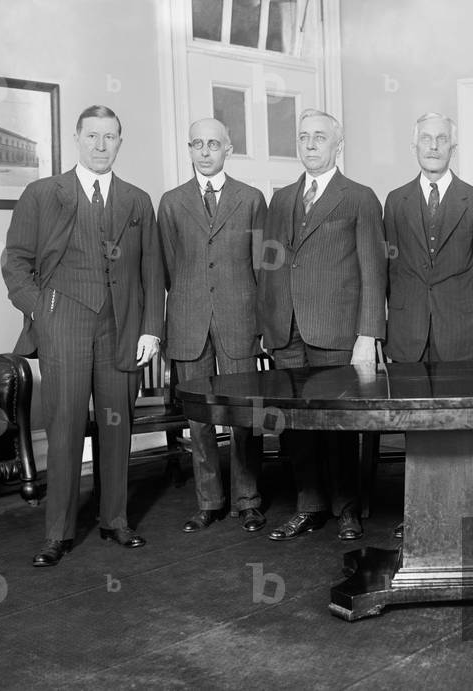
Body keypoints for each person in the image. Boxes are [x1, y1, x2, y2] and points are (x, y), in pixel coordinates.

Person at [2, 105, 163, 566]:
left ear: (119, 142)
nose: (100, 145)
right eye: (92, 136)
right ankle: (58, 533)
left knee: (117, 425)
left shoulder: (137, 200)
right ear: (76, 138)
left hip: (122, 327)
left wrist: (151, 330)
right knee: (65, 427)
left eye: (109, 136)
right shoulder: (42, 194)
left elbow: (152, 271)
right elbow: (15, 262)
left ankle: (116, 520)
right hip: (64, 324)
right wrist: (43, 311)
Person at [256, 109, 386, 542]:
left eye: (319, 137)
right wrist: (268, 323)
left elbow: (374, 271)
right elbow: (270, 262)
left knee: (337, 425)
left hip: (336, 331)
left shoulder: (359, 197)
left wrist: (368, 335)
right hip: (286, 331)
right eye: (303, 136)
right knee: (295, 426)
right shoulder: (281, 199)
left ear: (337, 144)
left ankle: (346, 510)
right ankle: (308, 507)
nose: (310, 144)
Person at [157, 117, 267, 534]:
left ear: (228, 149)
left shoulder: (251, 199)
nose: (205, 152)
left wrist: (263, 325)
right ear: (189, 149)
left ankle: (248, 500)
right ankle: (209, 502)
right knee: (199, 418)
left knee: (244, 414)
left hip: (239, 319)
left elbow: (263, 267)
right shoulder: (171, 202)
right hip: (189, 321)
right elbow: (168, 267)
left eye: (213, 144)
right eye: (197, 144)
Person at [383, 113, 473, 363]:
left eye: (441, 139)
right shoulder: (395, 201)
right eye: (426, 139)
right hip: (406, 332)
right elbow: (391, 264)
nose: (433, 146)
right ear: (414, 147)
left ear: (453, 148)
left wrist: (457, 299)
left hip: (460, 331)